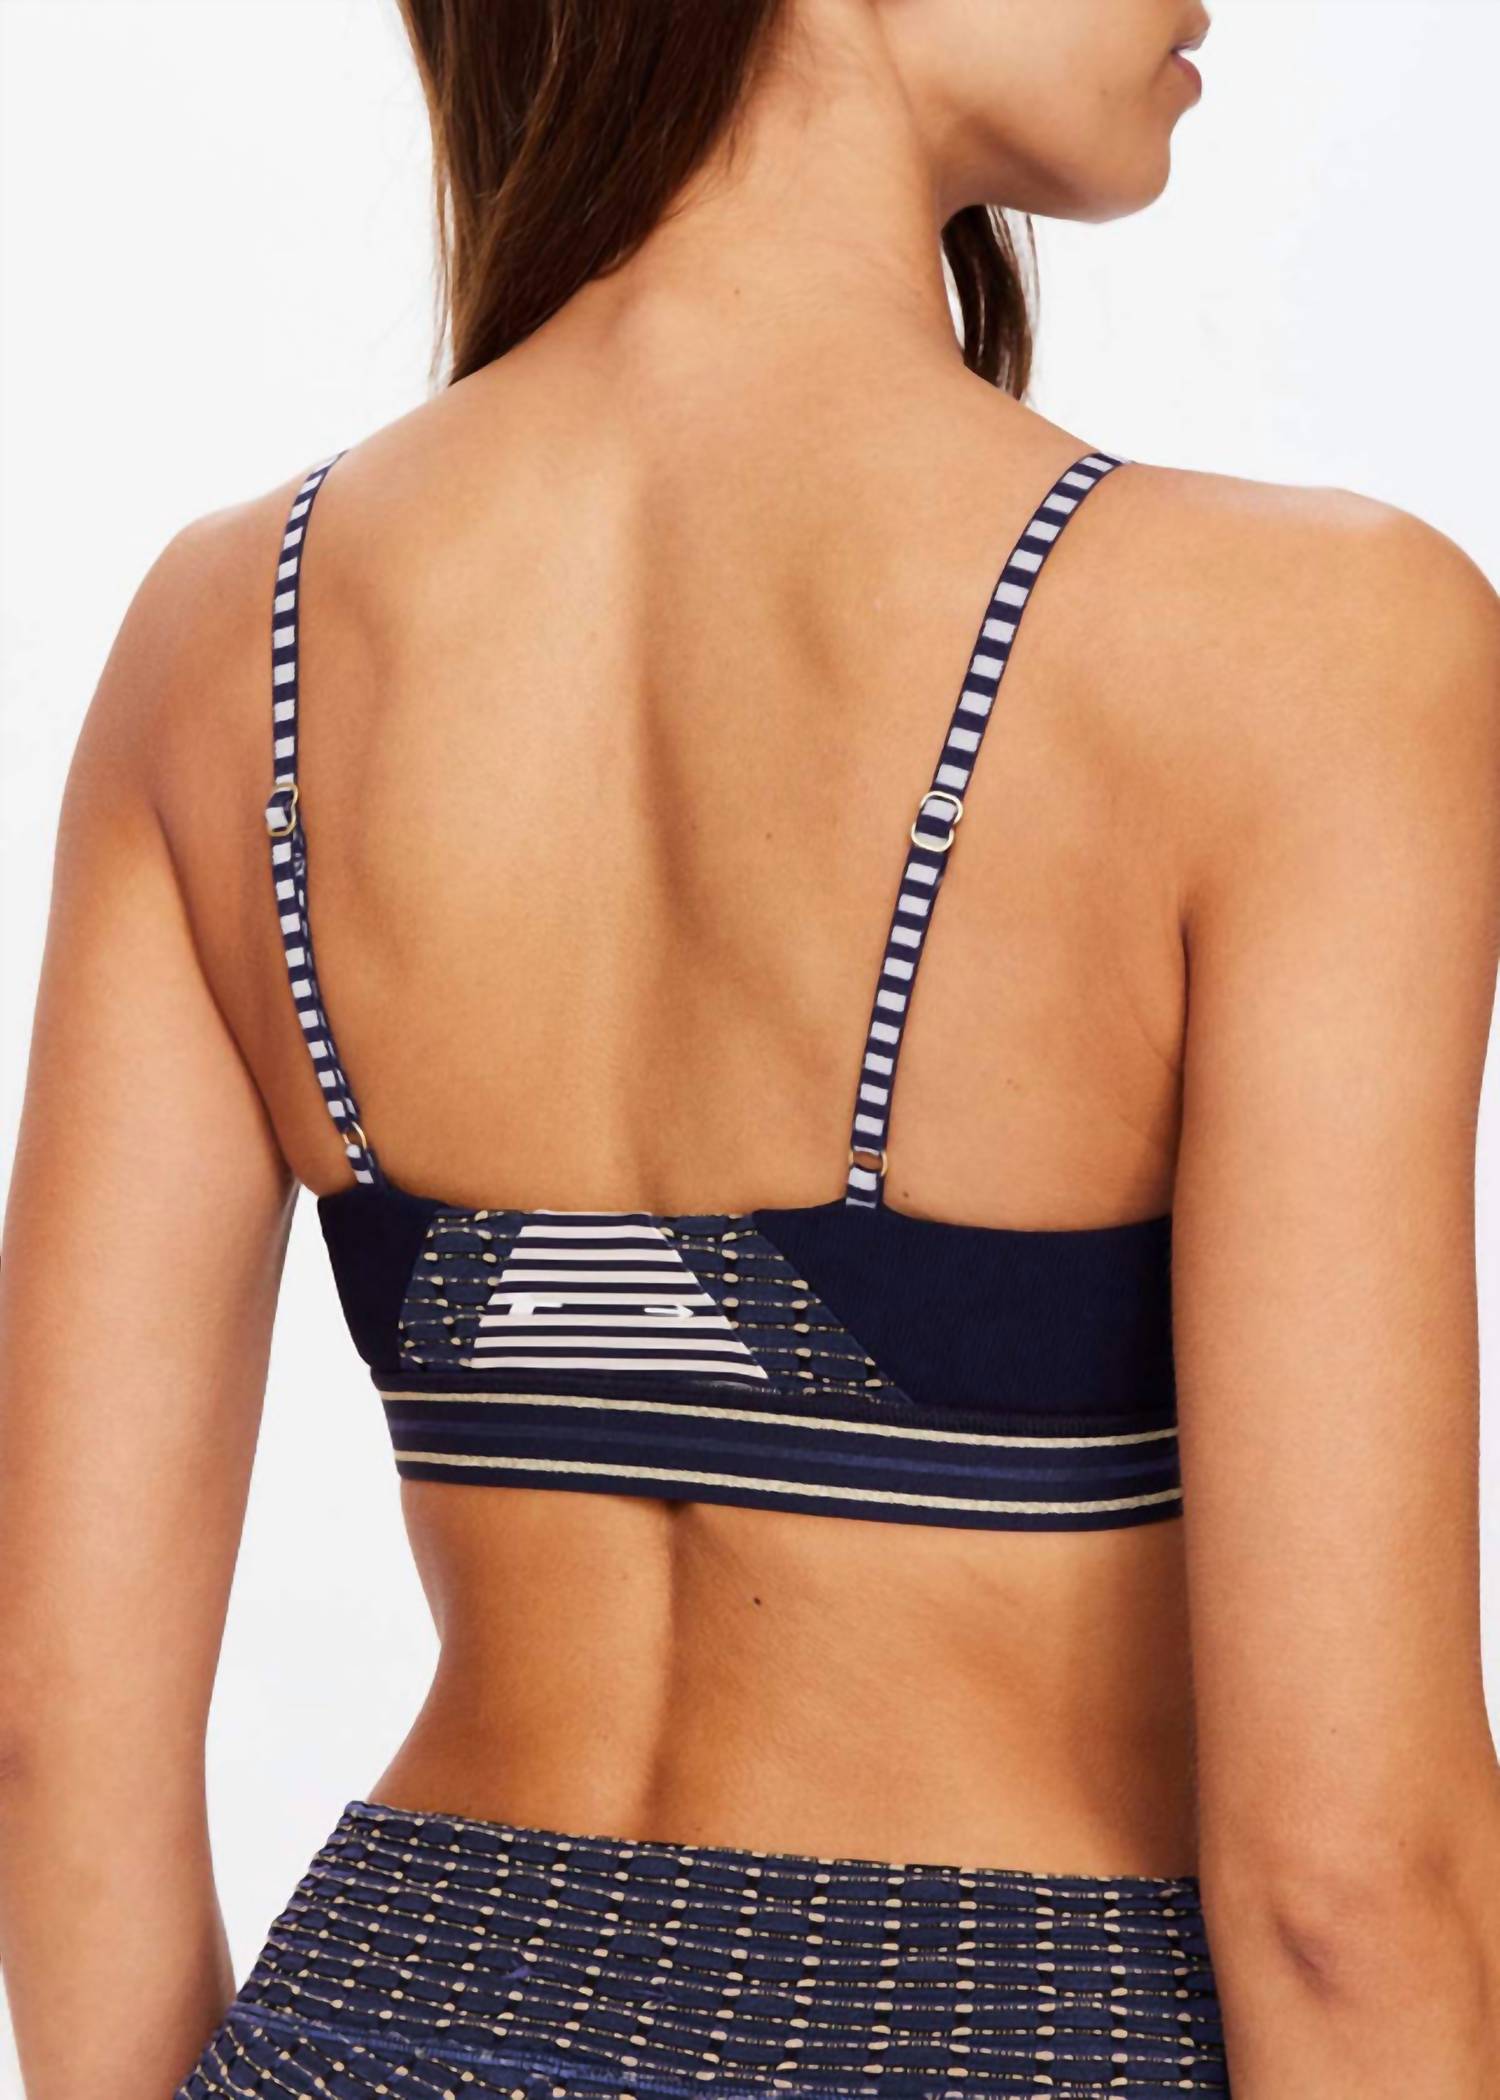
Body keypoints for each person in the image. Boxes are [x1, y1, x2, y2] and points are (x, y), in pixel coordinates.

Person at [2, 0, 1498, 2094]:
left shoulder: (226, 634)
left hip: (372, 2015)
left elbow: (51, 1730)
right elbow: (1349, 1889)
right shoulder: (1307, 647)